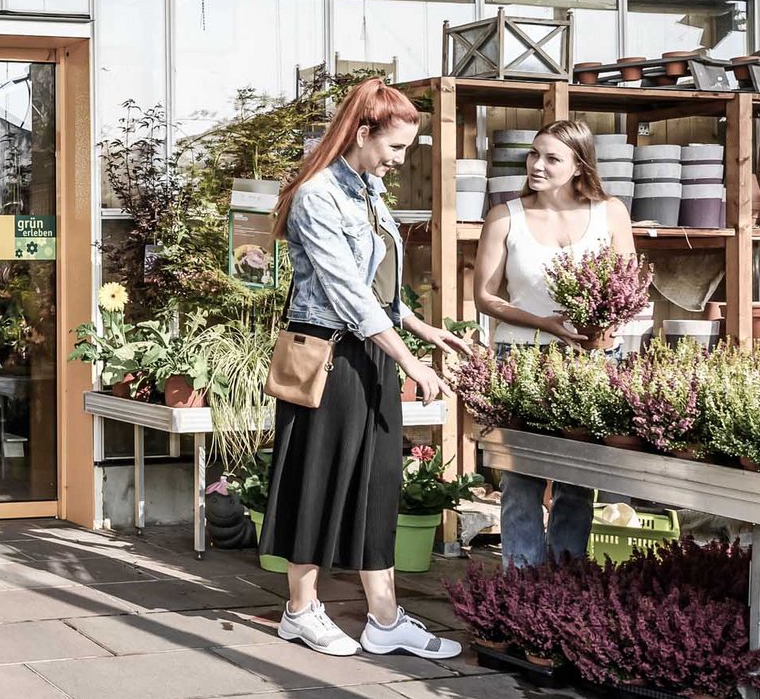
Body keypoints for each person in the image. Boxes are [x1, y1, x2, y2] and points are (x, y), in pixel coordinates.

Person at [261, 77, 468, 660]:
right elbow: (347, 293)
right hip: (327, 356)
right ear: (362, 132)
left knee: (379, 485)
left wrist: (423, 329)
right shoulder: (318, 195)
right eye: (395, 148)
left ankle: (383, 618)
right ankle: (300, 611)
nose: (399, 161)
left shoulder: (369, 190)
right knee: (315, 478)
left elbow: (379, 286)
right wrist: (410, 361)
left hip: (371, 352)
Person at [473, 119, 636, 568]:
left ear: (580, 166)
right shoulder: (506, 216)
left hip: (592, 359)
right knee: (520, 477)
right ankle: (521, 585)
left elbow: (625, 285)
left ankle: (565, 583)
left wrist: (603, 332)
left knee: (578, 478)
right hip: (521, 357)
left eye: (551, 158)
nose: (537, 166)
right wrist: (546, 324)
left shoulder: (611, 213)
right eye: (533, 154)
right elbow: (485, 297)